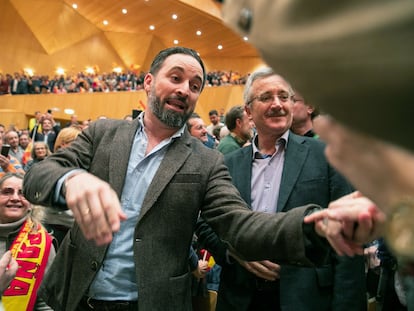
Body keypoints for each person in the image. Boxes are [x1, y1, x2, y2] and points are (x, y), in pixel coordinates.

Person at [23, 47, 334, 311]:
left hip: (156, 302)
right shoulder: (104, 135)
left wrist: (316, 225)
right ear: (148, 82)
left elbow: (239, 222)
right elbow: (39, 175)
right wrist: (72, 180)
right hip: (76, 296)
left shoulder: (206, 161)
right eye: (176, 78)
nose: (185, 89)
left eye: (195, 85)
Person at [196, 67, 366, 311]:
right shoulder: (227, 163)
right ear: (248, 112)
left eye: (284, 97)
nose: (277, 104)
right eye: (266, 98)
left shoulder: (327, 156)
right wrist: (234, 253)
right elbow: (205, 221)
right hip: (241, 298)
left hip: (308, 298)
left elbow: (349, 236)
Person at [0, 173, 55, 310]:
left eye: (22, 193)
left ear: (31, 204)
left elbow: (46, 302)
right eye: (7, 192)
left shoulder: (44, 243)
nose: (15, 198)